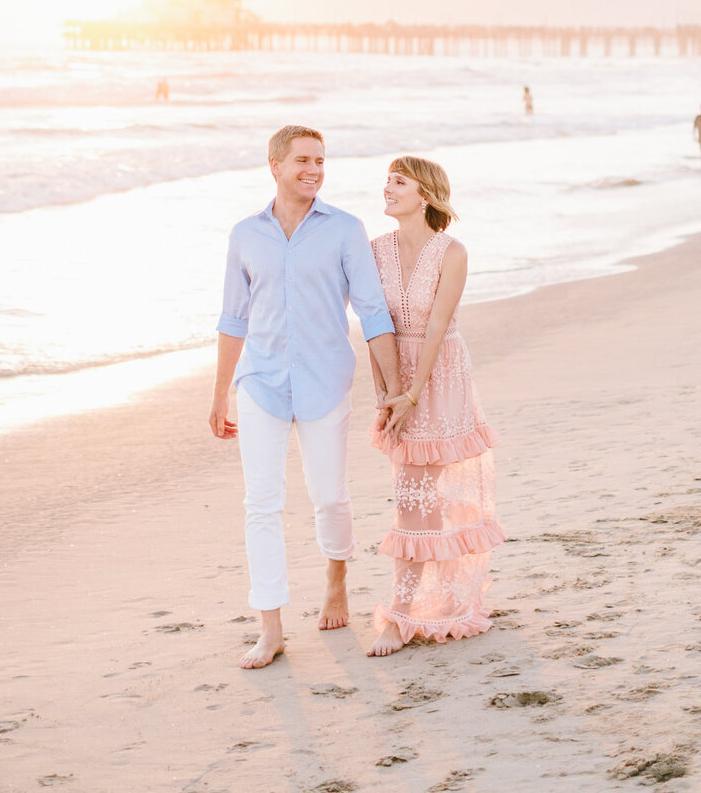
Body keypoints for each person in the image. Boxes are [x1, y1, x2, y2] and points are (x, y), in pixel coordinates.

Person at [210, 125, 402, 670]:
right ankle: (270, 628)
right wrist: (220, 393)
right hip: (261, 383)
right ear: (275, 166)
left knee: (329, 496)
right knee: (261, 505)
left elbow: (372, 311)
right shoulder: (246, 234)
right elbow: (232, 318)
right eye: (302, 161)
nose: (314, 170)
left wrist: (389, 389)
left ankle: (336, 579)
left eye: (320, 160)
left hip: (324, 380)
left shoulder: (344, 230)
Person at [366, 156, 504, 656]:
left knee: (416, 496)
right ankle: (432, 599)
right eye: (387, 180)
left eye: (397, 182)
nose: (386, 188)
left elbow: (439, 326)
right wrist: (385, 392)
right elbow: (372, 322)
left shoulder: (452, 251)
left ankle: (401, 615)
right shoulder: (374, 250)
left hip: (439, 377)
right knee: (419, 495)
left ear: (424, 193)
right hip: (395, 377)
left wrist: (414, 392)